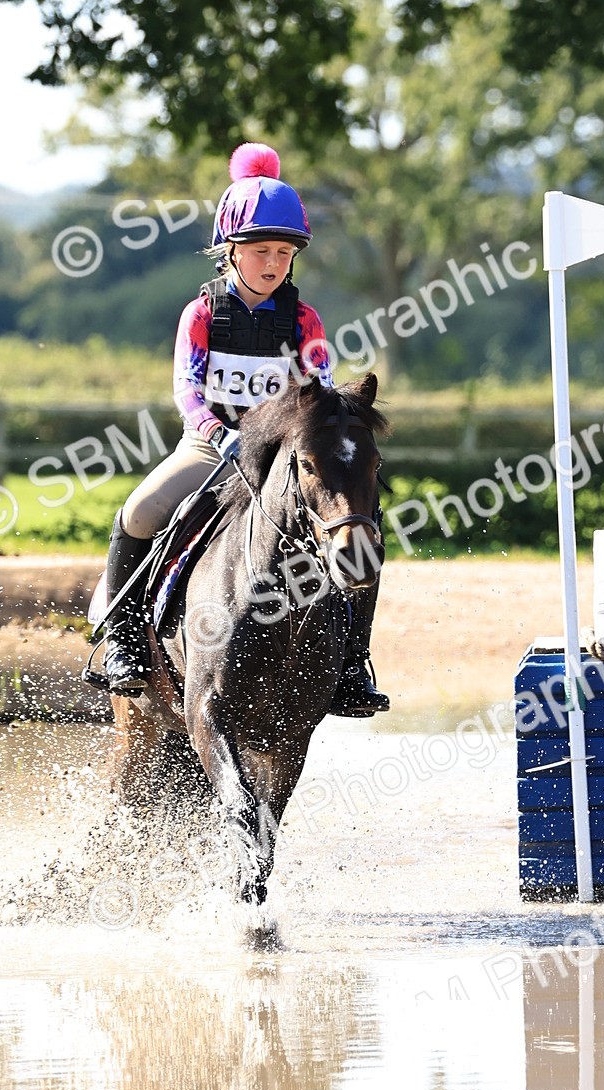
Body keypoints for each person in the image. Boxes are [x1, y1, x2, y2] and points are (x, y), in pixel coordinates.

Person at [99, 141, 389, 717]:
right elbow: (187, 389)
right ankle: (123, 642)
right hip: (211, 448)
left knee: (362, 529)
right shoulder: (202, 314)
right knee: (138, 513)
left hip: (280, 457)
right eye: (261, 250)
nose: (273, 262)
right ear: (230, 249)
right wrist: (218, 433)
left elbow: (320, 393)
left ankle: (352, 663)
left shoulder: (304, 320)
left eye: (283, 251)